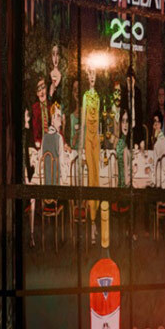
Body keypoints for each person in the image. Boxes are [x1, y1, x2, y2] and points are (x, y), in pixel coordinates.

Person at [78, 65, 103, 244]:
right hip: (87, 139)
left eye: (94, 74)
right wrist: (80, 148)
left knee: (97, 179)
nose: (92, 77)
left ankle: (96, 222)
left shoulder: (98, 97)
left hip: (96, 142)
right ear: (88, 77)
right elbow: (83, 123)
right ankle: (91, 222)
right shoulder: (86, 97)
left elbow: (99, 122)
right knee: (90, 179)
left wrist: (100, 145)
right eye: (90, 74)